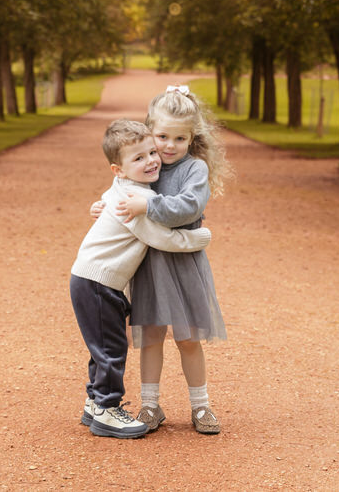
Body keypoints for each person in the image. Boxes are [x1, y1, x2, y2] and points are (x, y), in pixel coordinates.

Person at [94, 85, 232, 435]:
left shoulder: (194, 169)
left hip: (184, 265)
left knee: (188, 339)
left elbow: (189, 207)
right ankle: (150, 405)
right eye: (162, 136)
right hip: (151, 265)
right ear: (149, 132)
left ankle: (201, 406)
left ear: (192, 138)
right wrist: (106, 206)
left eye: (179, 138)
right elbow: (121, 185)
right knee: (151, 337)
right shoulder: (147, 162)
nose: (169, 146)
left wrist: (149, 205)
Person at [70, 118, 213, 439]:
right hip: (97, 283)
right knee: (111, 348)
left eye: (152, 152)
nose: (150, 161)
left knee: (102, 346)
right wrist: (199, 238)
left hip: (95, 280)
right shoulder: (133, 200)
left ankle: (94, 402)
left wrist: (101, 203)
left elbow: (111, 193)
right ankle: (107, 408)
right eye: (139, 158)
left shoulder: (125, 188)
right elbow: (160, 237)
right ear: (118, 169)